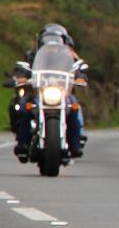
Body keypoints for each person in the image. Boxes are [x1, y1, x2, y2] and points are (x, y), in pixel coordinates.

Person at [14, 24, 87, 161]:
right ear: (42, 41)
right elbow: (24, 69)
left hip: (62, 93)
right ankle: (23, 143)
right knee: (25, 107)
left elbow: (78, 70)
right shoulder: (33, 56)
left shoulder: (67, 57)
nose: (52, 45)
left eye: (55, 41)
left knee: (73, 108)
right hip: (39, 93)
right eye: (49, 40)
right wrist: (22, 76)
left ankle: (75, 145)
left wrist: (80, 77)